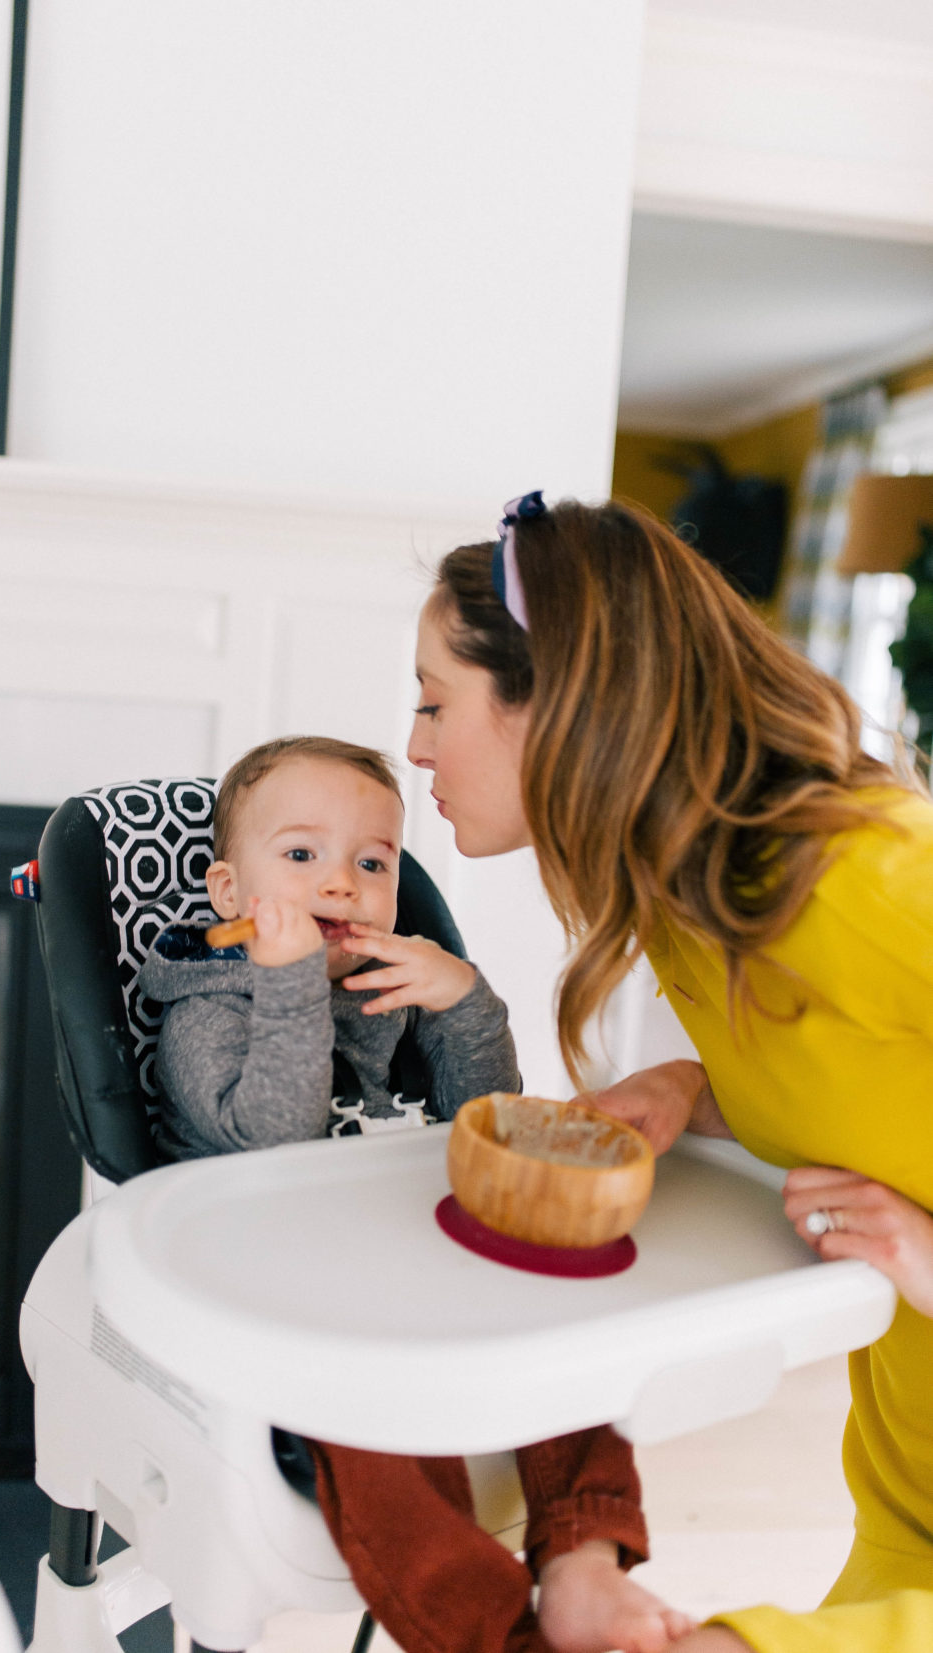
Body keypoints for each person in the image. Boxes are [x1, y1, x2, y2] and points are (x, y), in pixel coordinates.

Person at [404, 489, 933, 1653]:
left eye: (436, 702)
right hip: (905, 1496)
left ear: (557, 704)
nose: (414, 744)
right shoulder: (702, 905)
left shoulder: (873, 880)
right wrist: (693, 1090)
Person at [139, 733, 695, 1653]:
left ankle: (584, 1558)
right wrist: (286, 988)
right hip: (281, 1306)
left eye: (372, 862)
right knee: (386, 1431)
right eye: (302, 855)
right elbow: (275, 1134)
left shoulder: (380, 983)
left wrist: (460, 998)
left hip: (403, 1264)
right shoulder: (204, 1010)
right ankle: (494, 1635)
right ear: (230, 895)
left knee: (558, 1328)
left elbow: (484, 1117)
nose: (341, 884)